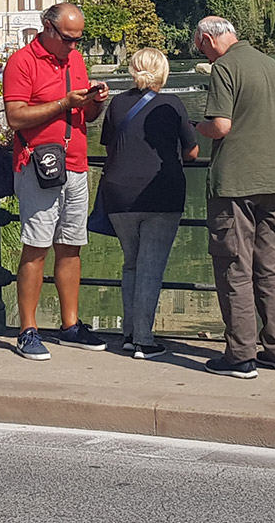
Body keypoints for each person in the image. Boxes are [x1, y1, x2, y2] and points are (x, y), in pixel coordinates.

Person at [3, 3, 108, 361]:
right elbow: (15, 117)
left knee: (71, 245)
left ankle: (70, 325)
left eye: (78, 40)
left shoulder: (75, 61)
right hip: (37, 165)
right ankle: (27, 329)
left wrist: (96, 101)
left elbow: (86, 116)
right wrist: (64, 102)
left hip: (76, 164)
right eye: (67, 39)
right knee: (35, 247)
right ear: (47, 28)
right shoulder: (22, 62)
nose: (73, 46)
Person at [192, 16, 275, 379]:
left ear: (208, 39)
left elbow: (220, 125)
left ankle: (240, 355)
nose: (200, 52)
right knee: (272, 269)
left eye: (199, 46)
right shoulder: (272, 66)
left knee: (234, 268)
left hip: (234, 183)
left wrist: (194, 127)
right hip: (274, 181)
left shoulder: (224, 68)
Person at [99, 47, 197, 359]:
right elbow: (192, 151)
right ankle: (143, 339)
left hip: (118, 194)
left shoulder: (116, 103)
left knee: (131, 263)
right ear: (164, 73)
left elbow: (108, 144)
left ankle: (129, 333)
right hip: (160, 193)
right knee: (151, 267)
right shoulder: (172, 104)